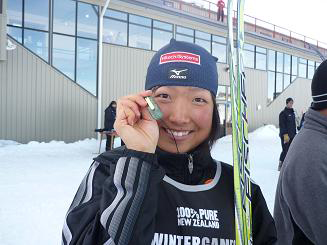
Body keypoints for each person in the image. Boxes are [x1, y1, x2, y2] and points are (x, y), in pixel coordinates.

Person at [61, 39, 277, 245]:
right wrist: (137, 161)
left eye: (199, 99)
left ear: (214, 111)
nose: (179, 117)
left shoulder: (239, 189)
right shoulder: (109, 171)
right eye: (164, 96)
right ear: (145, 102)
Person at [274, 60, 327, 244]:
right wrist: (287, 135)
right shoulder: (312, 155)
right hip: (288, 136)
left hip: (295, 135)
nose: (291, 103)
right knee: (285, 153)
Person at [278, 97, 296, 171]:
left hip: (292, 135)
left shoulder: (292, 113)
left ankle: (288, 165)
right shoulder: (283, 113)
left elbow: (293, 124)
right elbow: (282, 125)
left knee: (291, 150)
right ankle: (281, 164)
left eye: (292, 103)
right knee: (285, 150)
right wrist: (285, 134)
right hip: (286, 136)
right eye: (290, 103)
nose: (291, 104)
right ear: (287, 103)